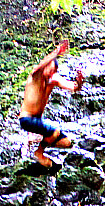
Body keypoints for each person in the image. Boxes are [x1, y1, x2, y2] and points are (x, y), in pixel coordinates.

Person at [20, 39, 84, 168]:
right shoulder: (35, 77)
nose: (50, 72)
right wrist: (57, 52)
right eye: (49, 68)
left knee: (66, 143)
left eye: (53, 70)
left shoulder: (52, 79)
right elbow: (40, 67)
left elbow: (72, 87)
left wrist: (79, 82)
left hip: (38, 120)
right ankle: (38, 153)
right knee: (54, 130)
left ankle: (38, 141)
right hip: (27, 119)